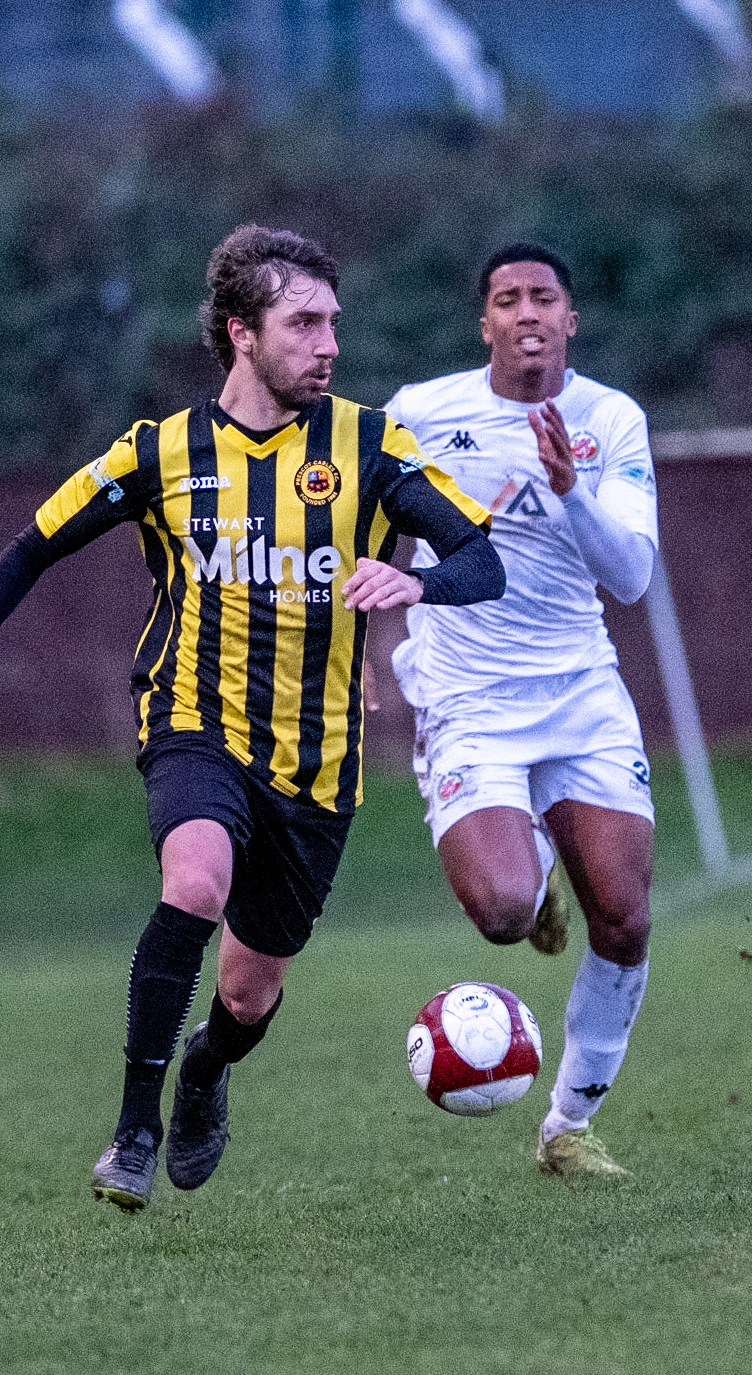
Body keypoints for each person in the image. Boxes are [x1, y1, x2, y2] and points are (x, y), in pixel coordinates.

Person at [0, 224, 505, 1211]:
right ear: (240, 333)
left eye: (332, 321)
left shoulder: (372, 444)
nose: (328, 342)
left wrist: (414, 582)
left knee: (250, 992)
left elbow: (482, 557)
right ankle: (132, 1130)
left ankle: (206, 1069)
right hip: (192, 720)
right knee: (195, 877)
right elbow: (30, 545)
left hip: (317, 757)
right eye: (303, 322)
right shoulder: (159, 452)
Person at [387, 242, 657, 1178]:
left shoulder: (610, 418)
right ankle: (534, 875)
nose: (527, 311)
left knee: (623, 917)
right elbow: (360, 530)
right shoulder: (420, 414)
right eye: (507, 298)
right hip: (468, 696)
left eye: (545, 297)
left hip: (581, 690)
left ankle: (569, 1127)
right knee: (504, 911)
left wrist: (573, 491)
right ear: (486, 323)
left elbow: (629, 574)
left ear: (571, 319)